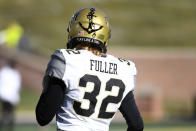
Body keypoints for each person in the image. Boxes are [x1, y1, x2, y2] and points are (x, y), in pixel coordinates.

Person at [36, 7, 144, 131]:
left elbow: (43, 117)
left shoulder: (67, 60)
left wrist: (49, 81)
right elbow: (137, 125)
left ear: (73, 30)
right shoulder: (124, 69)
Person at [0, 58, 22, 131]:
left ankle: (8, 127)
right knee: (7, 113)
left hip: (10, 96)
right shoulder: (6, 72)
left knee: (8, 114)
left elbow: (17, 86)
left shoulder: (13, 73)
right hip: (7, 96)